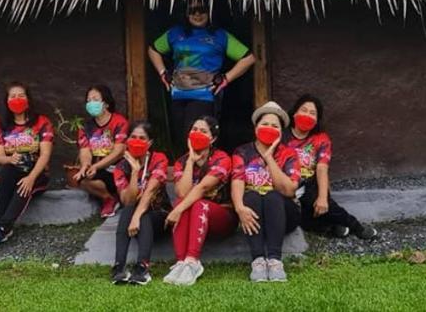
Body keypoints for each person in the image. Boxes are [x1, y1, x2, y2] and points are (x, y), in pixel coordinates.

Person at [146, 0, 256, 142]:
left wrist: (226, 78)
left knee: (197, 137)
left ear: (209, 12)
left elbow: (248, 58)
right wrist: (163, 73)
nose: (197, 14)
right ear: (186, 14)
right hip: (177, 94)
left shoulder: (220, 35)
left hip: (204, 95)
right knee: (181, 137)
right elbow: (153, 50)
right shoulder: (175, 33)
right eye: (192, 11)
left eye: (202, 10)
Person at [285, 94, 377, 239]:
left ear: (317, 120)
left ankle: (356, 227)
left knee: (324, 205)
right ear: (294, 112)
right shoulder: (283, 137)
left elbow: (322, 168)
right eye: (303, 110)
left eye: (312, 113)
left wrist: (322, 197)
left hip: (309, 186)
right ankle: (332, 228)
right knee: (301, 220)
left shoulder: (321, 139)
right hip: (286, 186)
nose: (307, 115)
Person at [162, 115, 237, 286]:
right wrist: (190, 160)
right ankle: (181, 262)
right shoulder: (182, 161)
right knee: (184, 202)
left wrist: (178, 210)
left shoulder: (222, 159)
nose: (197, 133)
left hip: (223, 217)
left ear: (213, 138)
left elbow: (202, 188)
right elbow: (182, 192)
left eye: (203, 131)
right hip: (194, 218)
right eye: (194, 130)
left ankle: (193, 261)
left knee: (197, 204)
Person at [232, 101, 301, 282]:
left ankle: (275, 260)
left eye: (274, 126)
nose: (269, 128)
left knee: (272, 196)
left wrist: (269, 158)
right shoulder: (242, 152)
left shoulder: (289, 154)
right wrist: (239, 208)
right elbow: (237, 180)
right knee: (252, 196)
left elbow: (288, 189)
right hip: (253, 212)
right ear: (256, 128)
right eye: (264, 124)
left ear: (280, 132)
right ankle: (258, 261)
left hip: (284, 212)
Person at [0, 82, 54, 251]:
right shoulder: (1, 127)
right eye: (12, 96)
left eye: (21, 95)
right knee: (7, 173)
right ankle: (1, 227)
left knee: (23, 186)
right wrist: (9, 159)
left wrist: (31, 178)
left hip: (37, 173)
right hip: (12, 170)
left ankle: (1, 228)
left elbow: (45, 154)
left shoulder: (42, 122)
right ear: (7, 101)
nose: (17, 99)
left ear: (28, 99)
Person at [109, 122, 169, 285]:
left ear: (149, 143)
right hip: (133, 219)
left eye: (142, 138)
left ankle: (142, 268)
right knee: (128, 209)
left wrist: (136, 217)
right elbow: (127, 200)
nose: (137, 141)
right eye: (133, 137)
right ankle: (119, 267)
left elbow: (149, 192)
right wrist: (134, 172)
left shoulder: (159, 159)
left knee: (143, 216)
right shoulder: (121, 166)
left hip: (159, 215)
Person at [73, 85, 129, 218]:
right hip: (98, 168)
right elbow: (85, 150)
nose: (91, 103)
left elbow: (119, 151)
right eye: (89, 100)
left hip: (119, 167)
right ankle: (109, 198)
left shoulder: (119, 122)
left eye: (95, 99)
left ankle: (120, 195)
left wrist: (97, 166)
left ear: (106, 103)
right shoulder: (86, 127)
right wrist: (85, 166)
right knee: (82, 179)